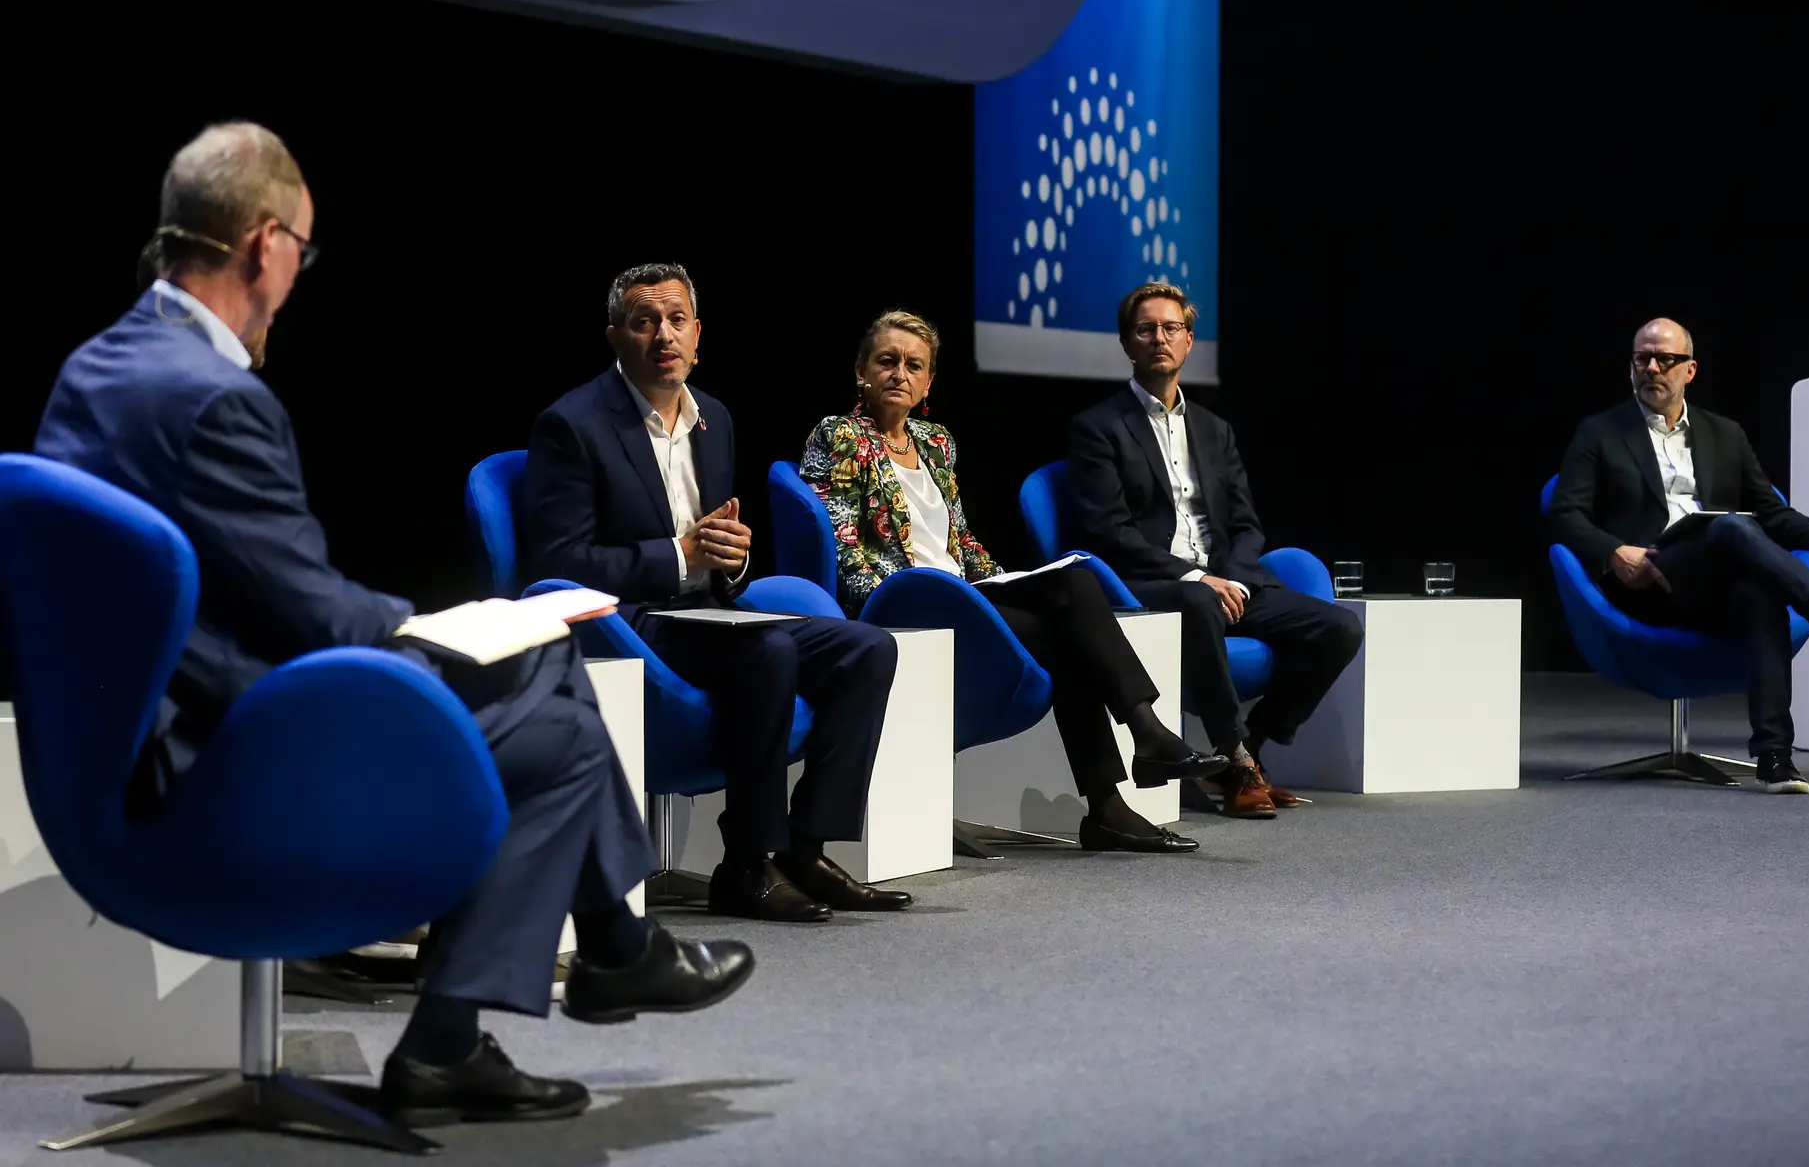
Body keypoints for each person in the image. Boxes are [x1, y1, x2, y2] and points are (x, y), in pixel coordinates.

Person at [33, 123, 752, 1126]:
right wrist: (440, 627)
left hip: (118, 741)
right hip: (224, 760)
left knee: (547, 665)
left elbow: (245, 589)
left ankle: (593, 967)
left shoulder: (97, 366)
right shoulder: (218, 398)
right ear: (264, 246)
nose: (295, 283)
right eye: (303, 257)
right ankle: (541, 991)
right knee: (564, 728)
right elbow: (314, 616)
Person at [524, 263, 910, 922]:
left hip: (711, 612)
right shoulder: (574, 425)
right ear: (615, 336)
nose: (663, 336)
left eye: (676, 320)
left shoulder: (716, 421)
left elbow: (718, 548)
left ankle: (803, 849)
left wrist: (730, 563)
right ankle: (745, 864)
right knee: (767, 654)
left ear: (698, 334)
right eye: (645, 322)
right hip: (633, 623)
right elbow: (560, 561)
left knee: (867, 649)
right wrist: (680, 556)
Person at [800, 311, 1231, 851]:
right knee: (1071, 599)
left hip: (962, 596)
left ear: (929, 381)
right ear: (861, 371)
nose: (899, 374)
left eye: (915, 365)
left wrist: (1005, 579)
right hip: (903, 601)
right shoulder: (839, 435)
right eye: (887, 361)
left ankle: (1110, 806)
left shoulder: (936, 443)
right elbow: (843, 547)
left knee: (1070, 604)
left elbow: (961, 540)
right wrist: (925, 585)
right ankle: (1146, 739)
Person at [1547, 317, 1809, 793]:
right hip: (1649, 578)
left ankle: (1774, 758)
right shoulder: (1599, 432)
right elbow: (1564, 514)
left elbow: (1773, 514)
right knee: (1730, 526)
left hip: (1714, 582)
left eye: (1667, 359)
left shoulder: (1725, 434)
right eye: (1642, 358)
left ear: (1690, 370)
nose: (1652, 368)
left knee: (1756, 586)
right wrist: (1616, 552)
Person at [1066, 283, 1364, 814]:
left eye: (1171, 328)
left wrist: (1236, 578)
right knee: (1202, 602)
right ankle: (1236, 756)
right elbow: (1107, 530)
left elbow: (1247, 525)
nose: (1160, 338)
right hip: (1154, 583)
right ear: (1127, 344)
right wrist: (1197, 579)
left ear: (1189, 341)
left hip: (1226, 581)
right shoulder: (1098, 428)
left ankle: (1251, 749)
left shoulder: (1215, 429)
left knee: (1340, 629)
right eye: (1146, 329)